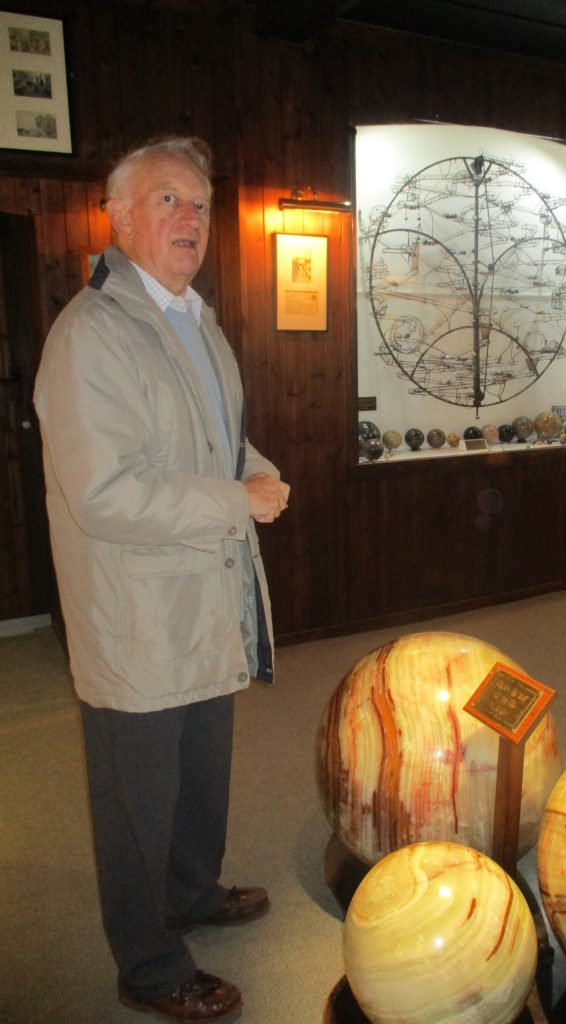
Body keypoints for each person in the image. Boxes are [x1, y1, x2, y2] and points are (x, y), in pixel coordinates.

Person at [34, 136, 290, 1024]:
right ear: (121, 216)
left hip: (204, 598)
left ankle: (190, 893)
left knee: (200, 770)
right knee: (137, 798)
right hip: (137, 615)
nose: (191, 219)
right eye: (169, 201)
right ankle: (147, 964)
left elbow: (219, 439)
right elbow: (105, 494)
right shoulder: (91, 335)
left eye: (201, 205)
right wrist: (234, 498)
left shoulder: (196, 320)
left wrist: (253, 468)